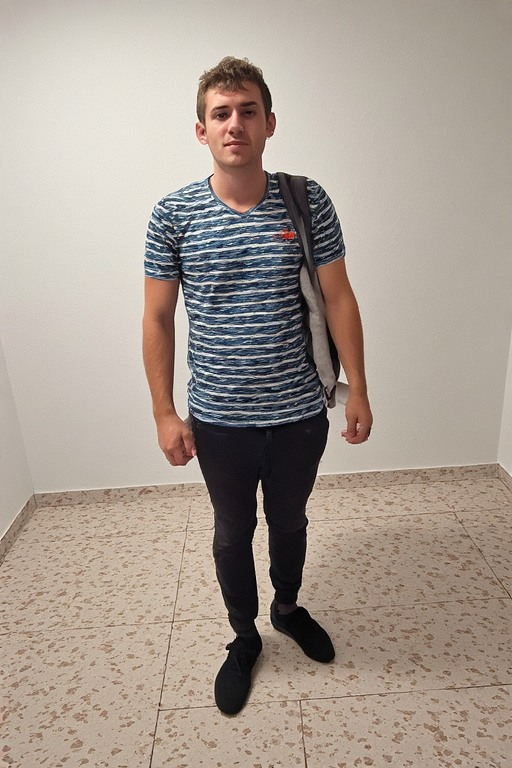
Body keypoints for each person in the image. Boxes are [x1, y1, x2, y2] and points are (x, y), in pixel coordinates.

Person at [142, 56, 373, 715]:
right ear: (201, 130)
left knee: (290, 520)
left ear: (270, 123)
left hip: (299, 412)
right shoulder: (174, 214)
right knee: (231, 530)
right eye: (221, 113)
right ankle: (244, 637)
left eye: (247, 111)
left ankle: (288, 608)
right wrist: (163, 412)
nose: (234, 124)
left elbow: (339, 297)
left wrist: (358, 388)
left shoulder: (306, 200)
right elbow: (157, 317)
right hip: (219, 419)